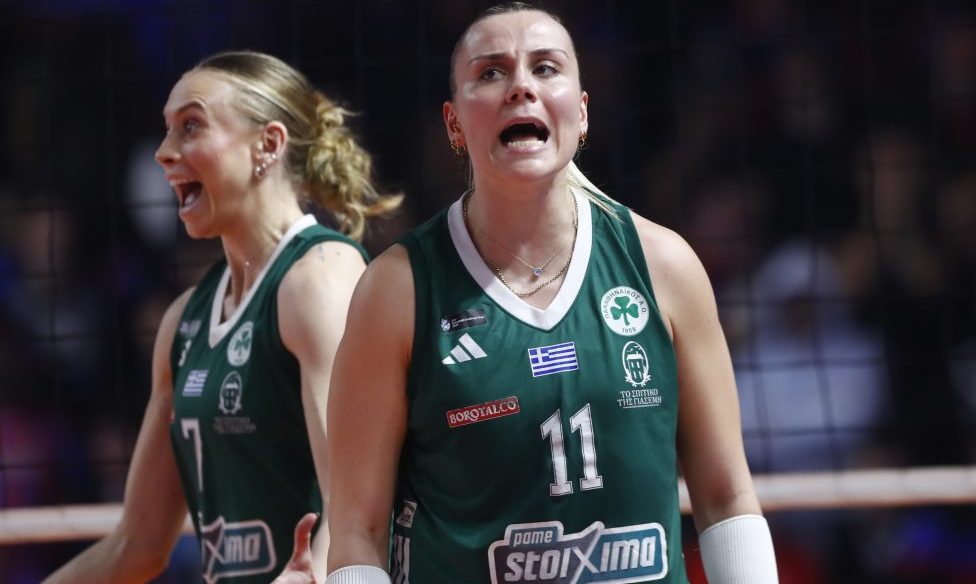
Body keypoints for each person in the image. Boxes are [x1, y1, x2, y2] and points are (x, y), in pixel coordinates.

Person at [283, 3, 777, 583]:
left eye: (546, 68)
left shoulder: (663, 265)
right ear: (453, 125)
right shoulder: (398, 290)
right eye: (491, 72)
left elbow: (725, 497)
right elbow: (358, 532)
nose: (521, 86)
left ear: (582, 111)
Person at [43, 50, 400, 583]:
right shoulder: (184, 321)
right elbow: (137, 545)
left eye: (191, 127)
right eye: (167, 130)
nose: (164, 152)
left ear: (268, 145)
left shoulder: (319, 279)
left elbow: (356, 519)